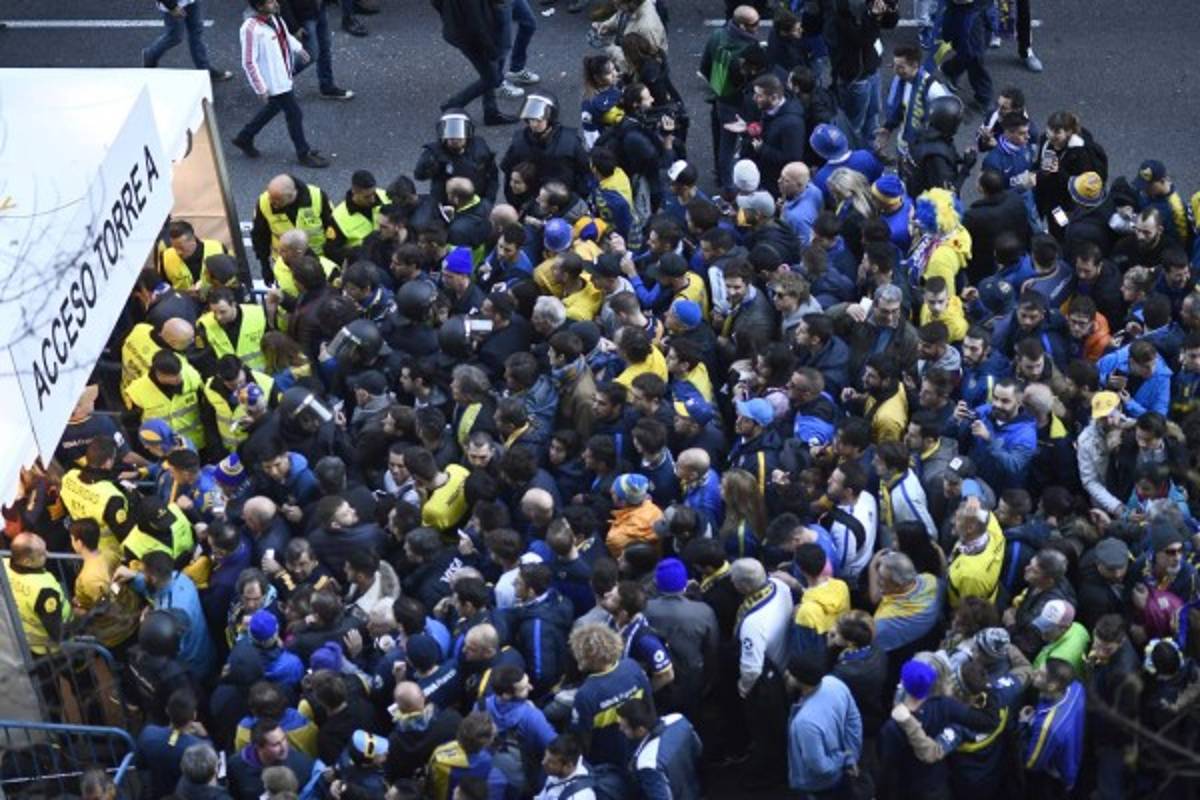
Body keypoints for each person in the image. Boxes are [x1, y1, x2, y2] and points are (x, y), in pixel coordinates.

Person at [232, 0, 329, 168]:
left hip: (283, 75)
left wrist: (299, 49)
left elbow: (284, 35)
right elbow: (248, 62)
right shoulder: (250, 29)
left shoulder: (275, 17)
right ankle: (303, 153)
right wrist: (260, 87)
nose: (275, 3)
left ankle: (244, 137)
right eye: (270, 1)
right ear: (259, 6)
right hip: (273, 81)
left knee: (273, 108)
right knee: (294, 114)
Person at [785, 653, 864, 797]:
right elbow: (854, 721)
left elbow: (820, 767)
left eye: (789, 672)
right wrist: (851, 756)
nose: (786, 674)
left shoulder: (805, 722)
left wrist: (843, 757)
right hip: (840, 775)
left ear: (799, 680)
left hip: (816, 786)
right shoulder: (834, 683)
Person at [434, 0, 516, 126]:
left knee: (489, 71)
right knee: (493, 78)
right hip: (471, 37)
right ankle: (453, 105)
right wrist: (491, 48)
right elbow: (477, 24)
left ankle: (491, 111)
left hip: (459, 30)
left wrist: (449, 17)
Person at [617, 697, 703, 800]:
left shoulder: (647, 762)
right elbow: (698, 748)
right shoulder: (678, 719)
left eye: (625, 727)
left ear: (640, 730)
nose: (620, 729)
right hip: (694, 787)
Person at [141, 0, 232, 81]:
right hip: (174, 4)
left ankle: (205, 70)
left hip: (191, 2)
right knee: (175, 36)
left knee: (196, 33)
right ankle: (150, 54)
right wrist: (172, 6)